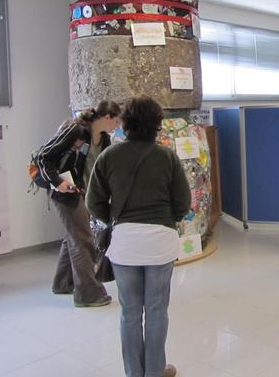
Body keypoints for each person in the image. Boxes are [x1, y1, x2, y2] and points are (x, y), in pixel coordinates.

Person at [86, 96, 191, 377]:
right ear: (157, 124)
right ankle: (155, 371)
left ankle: (134, 373)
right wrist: (166, 219)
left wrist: (116, 219)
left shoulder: (109, 156)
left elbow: (93, 202)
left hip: (125, 243)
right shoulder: (167, 157)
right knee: (156, 311)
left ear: (125, 122)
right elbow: (183, 202)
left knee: (129, 312)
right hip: (161, 241)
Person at [36, 100, 121, 307]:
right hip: (65, 192)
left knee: (74, 235)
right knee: (82, 238)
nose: (118, 125)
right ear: (107, 117)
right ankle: (88, 293)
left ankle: (64, 282)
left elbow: (100, 169)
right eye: (116, 121)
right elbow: (43, 156)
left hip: (83, 192)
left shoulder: (104, 139)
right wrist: (58, 182)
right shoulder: (76, 131)